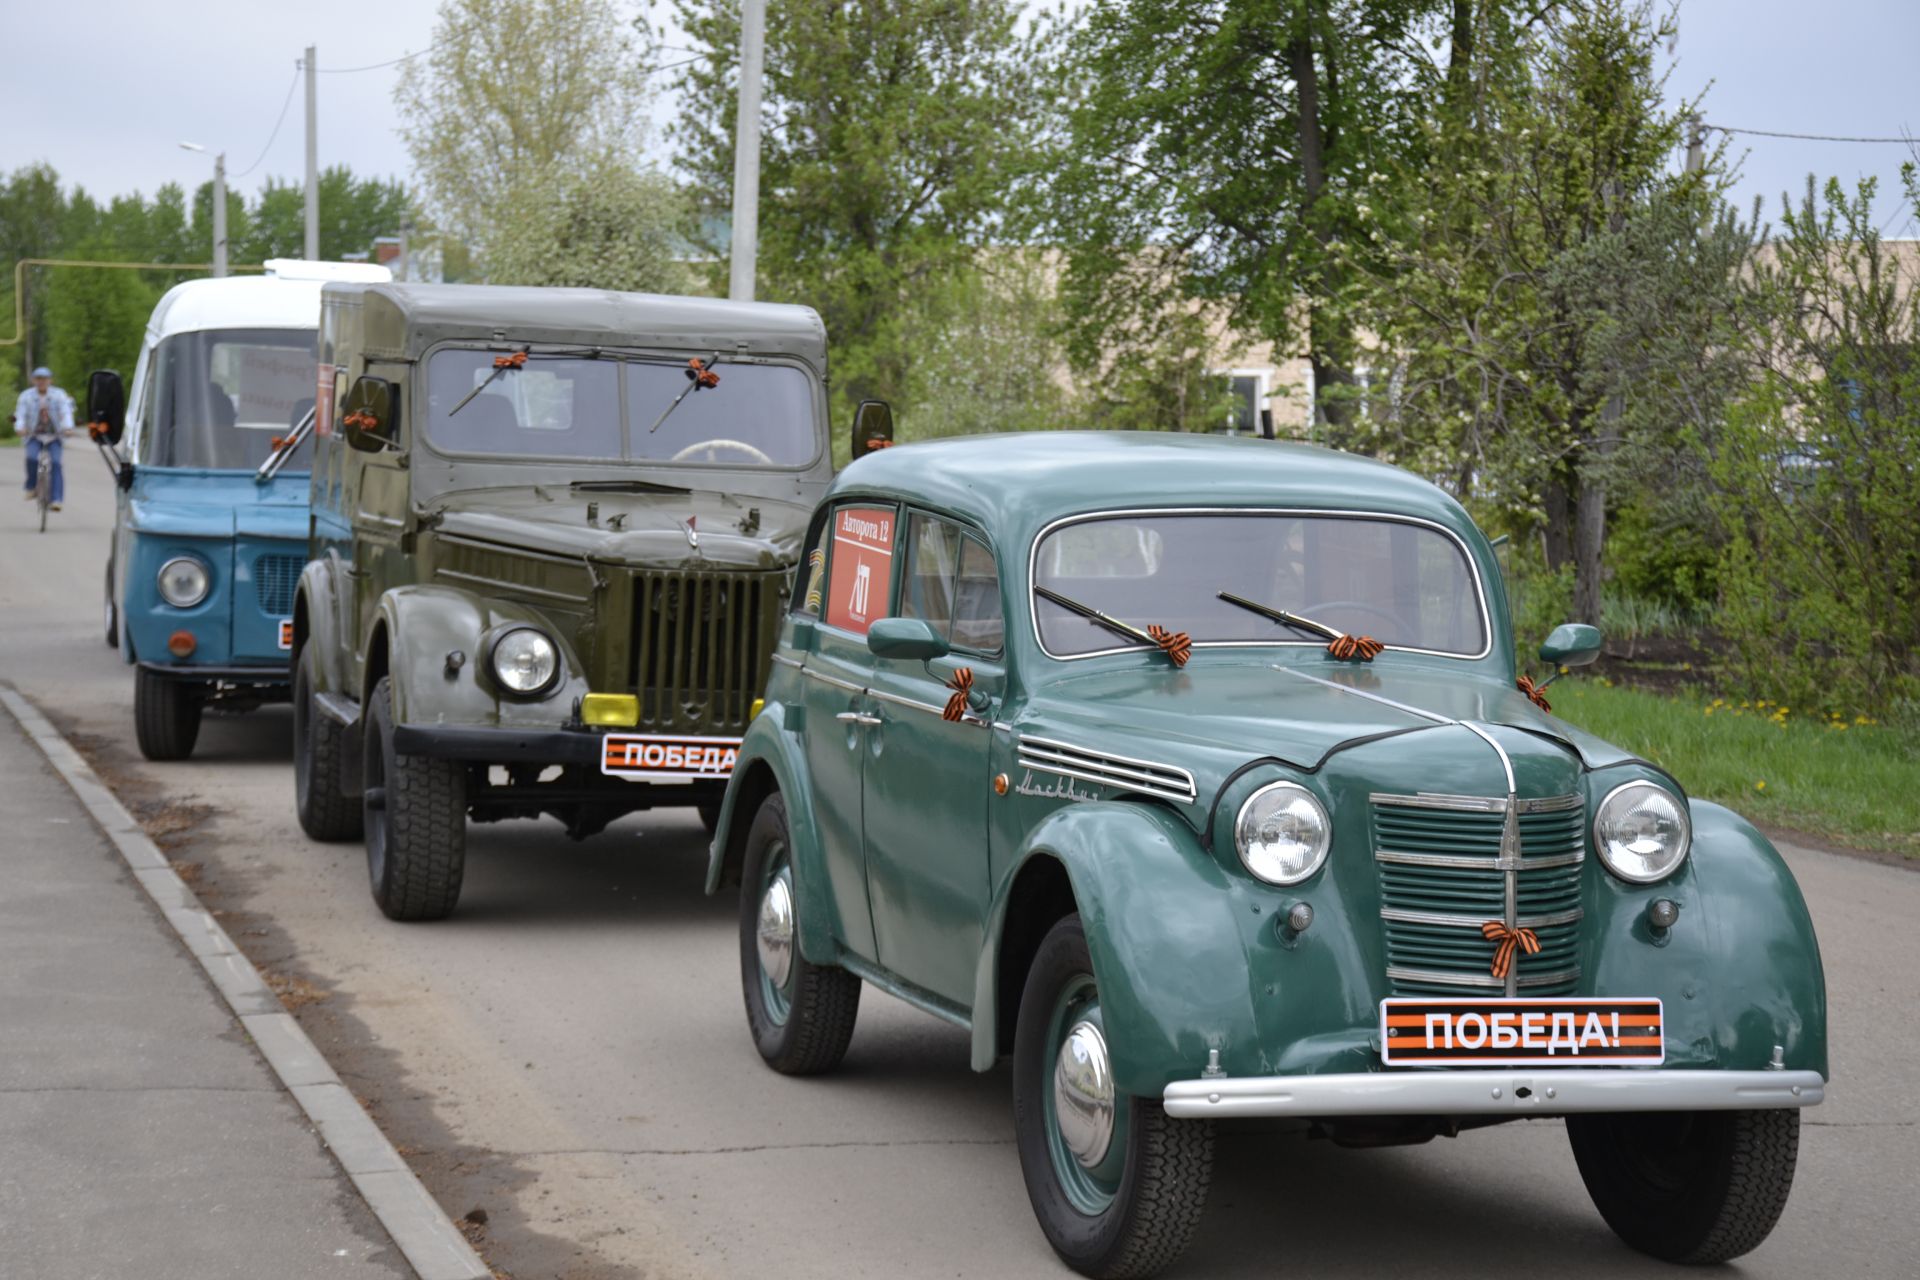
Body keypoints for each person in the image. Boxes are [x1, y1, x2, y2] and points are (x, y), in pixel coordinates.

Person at [16, 366, 73, 510]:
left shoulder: (59, 395)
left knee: (56, 463)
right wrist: (20, 428)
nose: (42, 382)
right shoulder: (26, 396)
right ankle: (31, 487)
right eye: (39, 379)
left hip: (55, 436)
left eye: (45, 379)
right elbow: (20, 415)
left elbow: (66, 412)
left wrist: (67, 427)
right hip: (34, 435)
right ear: (34, 380)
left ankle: (56, 500)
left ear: (50, 380)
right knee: (32, 458)